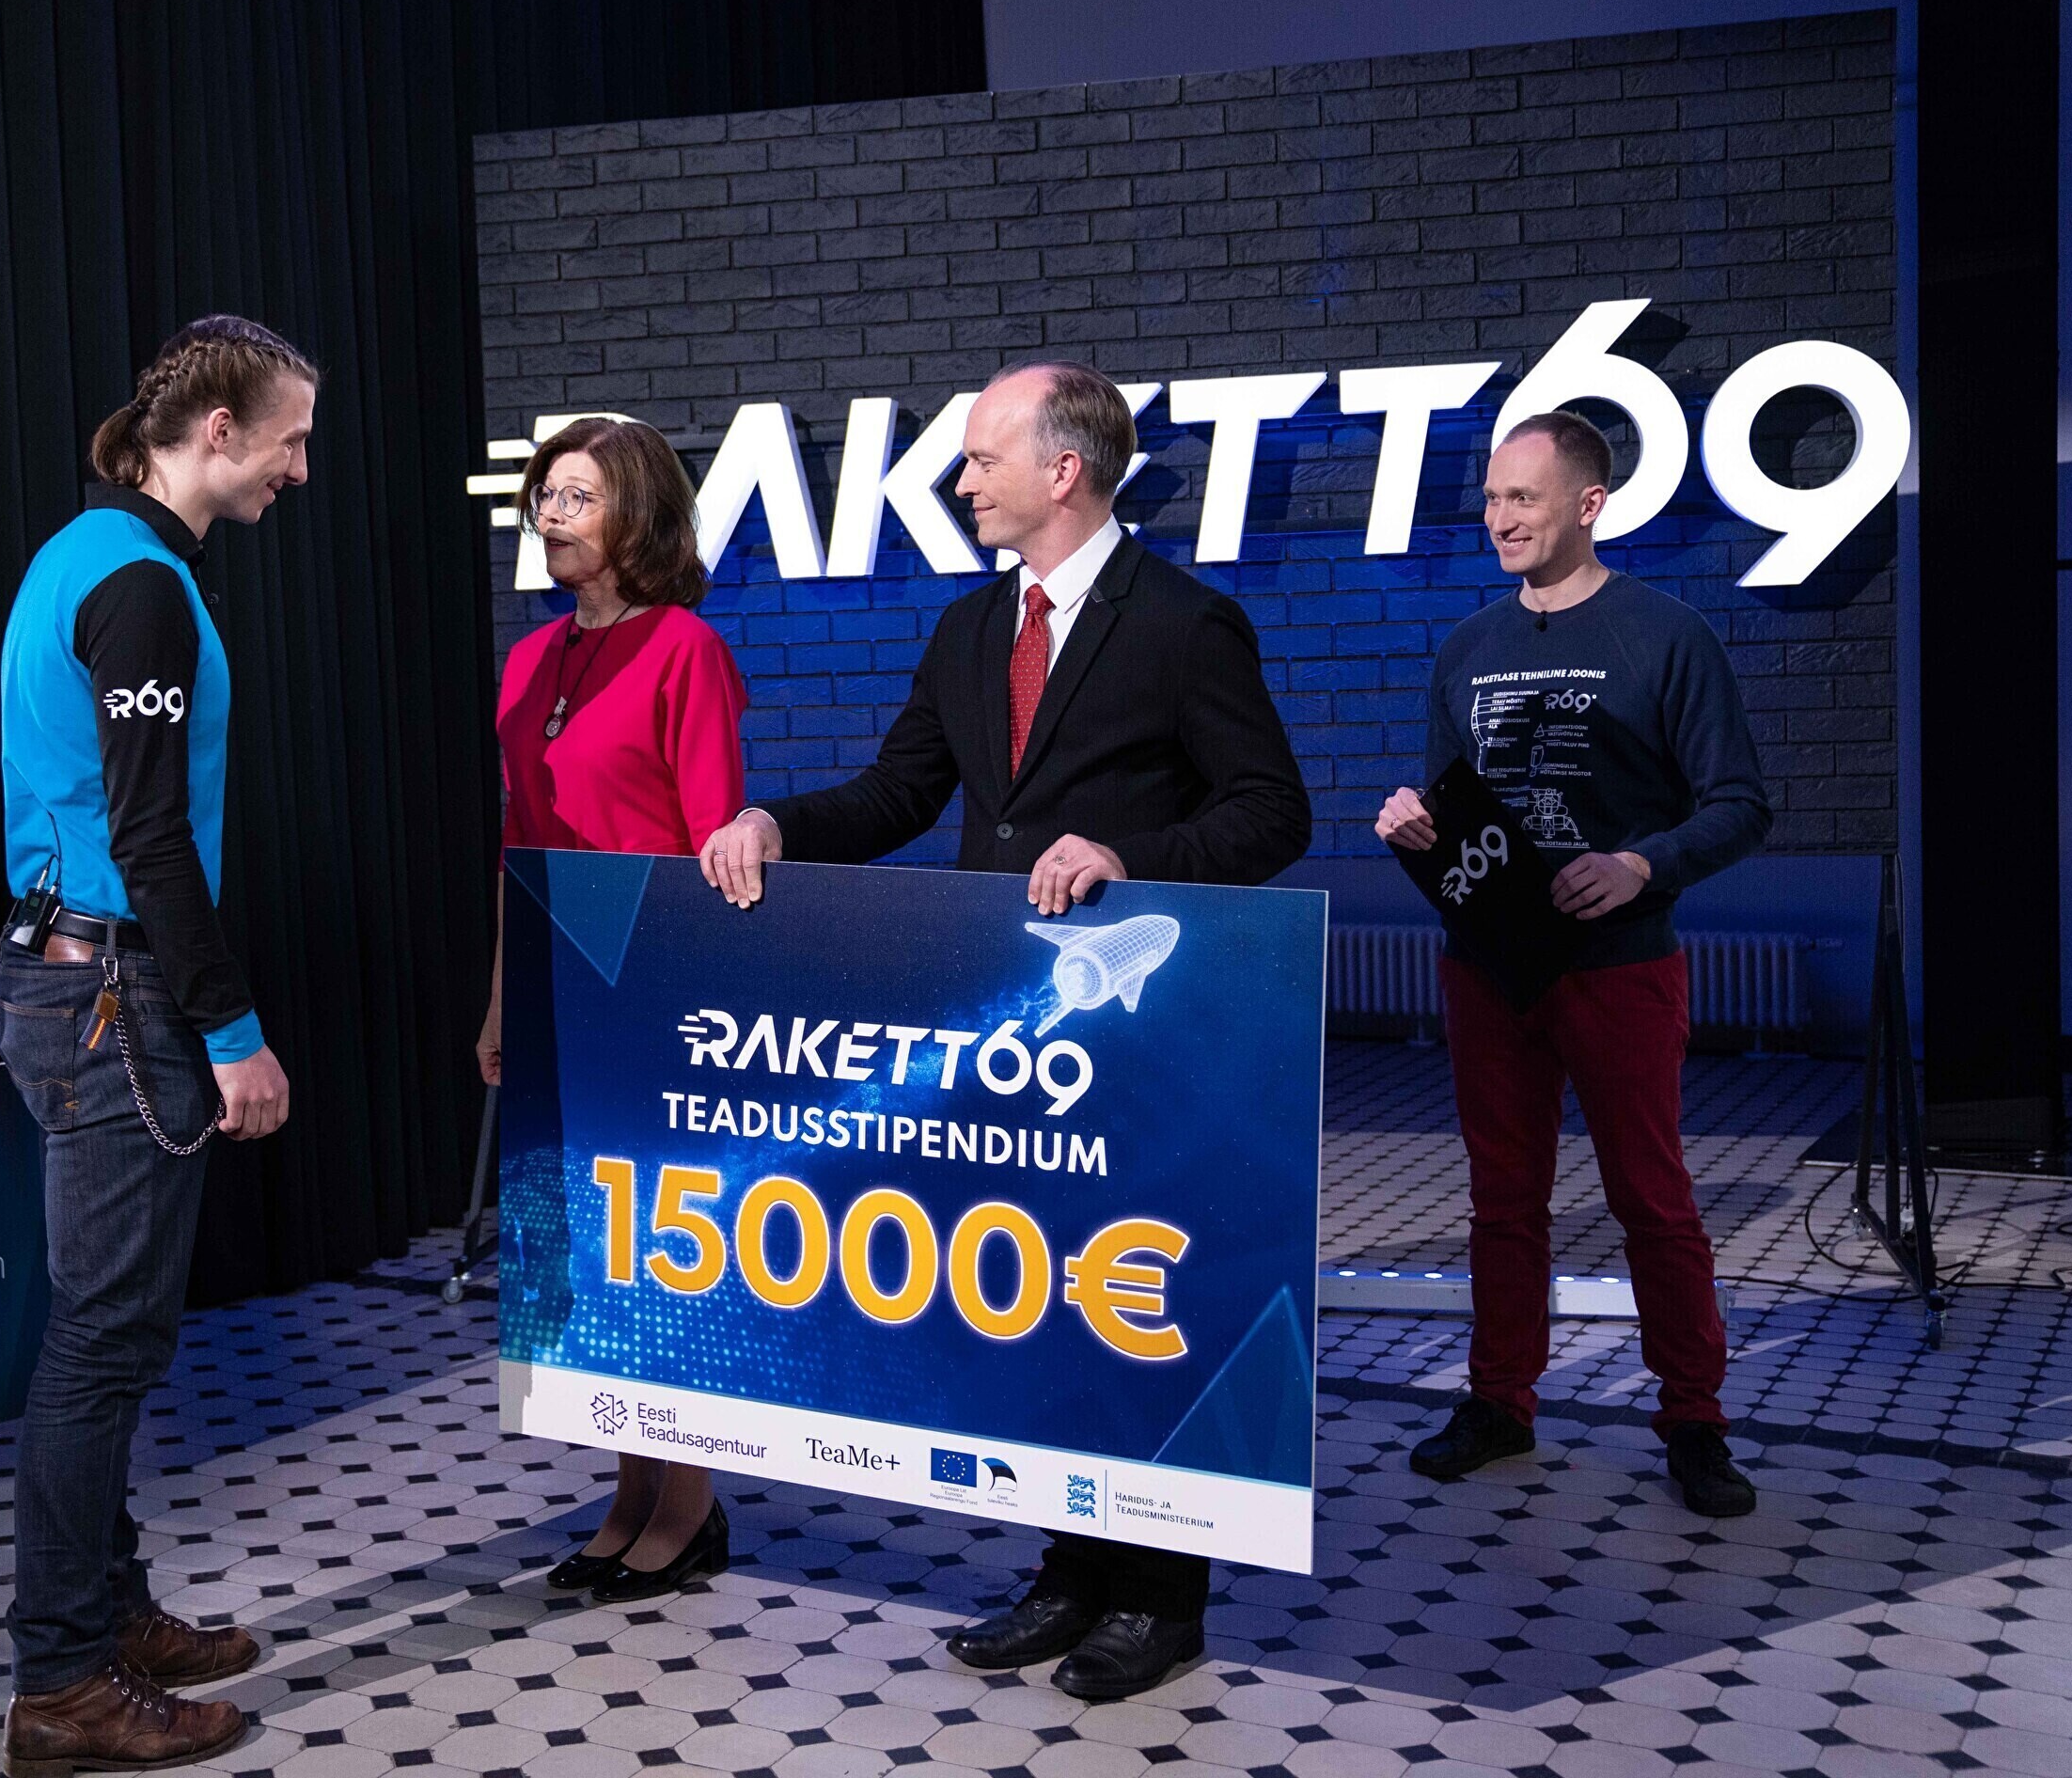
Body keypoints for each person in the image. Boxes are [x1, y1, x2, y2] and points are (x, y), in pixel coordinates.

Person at [699, 360, 1311, 1701]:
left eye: (982, 457)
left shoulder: (1186, 624)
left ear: (1064, 470)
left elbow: (1273, 811)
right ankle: (1070, 1572)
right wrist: (775, 822)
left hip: (1143, 1034)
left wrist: (1130, 858)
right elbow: (900, 791)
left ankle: (1160, 1598)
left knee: (1133, 1308)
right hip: (1009, 1035)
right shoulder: (974, 626)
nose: (961, 478)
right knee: (1044, 1310)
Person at [0, 315, 313, 1772]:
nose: (298, 473)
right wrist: (234, 1032)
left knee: (104, 1334)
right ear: (219, 432)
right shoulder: (139, 584)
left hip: (73, 976)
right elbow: (150, 839)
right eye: (290, 443)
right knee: (102, 1341)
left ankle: (110, 1613)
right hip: (114, 992)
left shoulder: (93, 553)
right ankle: (62, 1680)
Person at [1373, 408, 1770, 1518]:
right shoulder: (1466, 648)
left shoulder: (1667, 634)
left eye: (1523, 498)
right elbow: (1452, 812)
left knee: (1652, 1196)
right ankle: (1500, 1400)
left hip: (1619, 964)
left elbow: (1741, 803)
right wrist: (1415, 827)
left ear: (1588, 504)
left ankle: (1694, 1416)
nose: (1499, 517)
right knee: (1503, 1199)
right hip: (1488, 967)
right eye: (1491, 499)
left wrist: (1642, 862)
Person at [479, 417, 749, 1606]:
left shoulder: (687, 647)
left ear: (636, 513)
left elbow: (713, 845)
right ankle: (632, 1489)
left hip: (655, 984)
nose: (551, 513)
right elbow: (517, 846)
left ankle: (686, 1506)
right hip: (554, 981)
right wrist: (501, 997)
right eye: (545, 494)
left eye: (577, 496)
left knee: (659, 1251)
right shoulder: (529, 658)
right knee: (586, 1254)